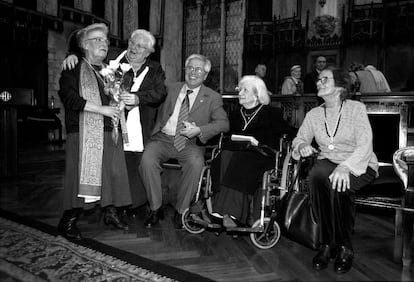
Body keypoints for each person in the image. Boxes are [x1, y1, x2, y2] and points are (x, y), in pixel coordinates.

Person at [62, 29, 168, 216]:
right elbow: (87, 52)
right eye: (133, 43)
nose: (135, 48)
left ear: (149, 52)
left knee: (133, 166)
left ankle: (133, 206)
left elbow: (160, 93)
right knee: (115, 169)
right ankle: (112, 209)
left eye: (141, 46)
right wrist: (71, 55)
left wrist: (137, 99)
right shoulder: (111, 59)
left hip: (139, 126)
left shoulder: (155, 68)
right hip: (108, 125)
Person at [292, 67, 378, 274]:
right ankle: (327, 244)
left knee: (338, 183)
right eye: (318, 79)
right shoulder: (314, 114)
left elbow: (365, 144)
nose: (318, 82)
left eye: (324, 79)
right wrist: (302, 145)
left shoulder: (355, 108)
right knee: (318, 175)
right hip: (328, 163)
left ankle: (344, 247)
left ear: (340, 86)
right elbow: (299, 138)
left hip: (360, 163)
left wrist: (346, 167)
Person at [57, 23, 132, 240]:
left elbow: (117, 95)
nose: (104, 43)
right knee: (79, 177)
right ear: (84, 45)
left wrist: (122, 101)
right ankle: (68, 221)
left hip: (110, 130)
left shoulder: (108, 71)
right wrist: (102, 109)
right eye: (97, 39)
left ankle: (110, 213)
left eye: (105, 40)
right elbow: (69, 99)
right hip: (83, 132)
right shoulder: (74, 66)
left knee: (111, 175)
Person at [139, 54, 229, 229]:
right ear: (185, 70)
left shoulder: (212, 97)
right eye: (190, 68)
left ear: (205, 75)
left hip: (190, 143)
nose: (193, 72)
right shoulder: (169, 88)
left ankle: (182, 211)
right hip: (163, 139)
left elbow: (224, 124)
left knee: (196, 164)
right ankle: (155, 208)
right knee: (146, 160)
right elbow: (145, 91)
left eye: (198, 70)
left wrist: (200, 130)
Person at [209, 75, 295, 227]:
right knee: (224, 155)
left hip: (263, 155)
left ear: (257, 95)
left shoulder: (271, 113)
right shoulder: (235, 114)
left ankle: (229, 213)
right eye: (240, 90)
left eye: (245, 90)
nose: (240, 93)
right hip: (238, 152)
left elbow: (286, 132)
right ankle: (226, 211)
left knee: (240, 159)